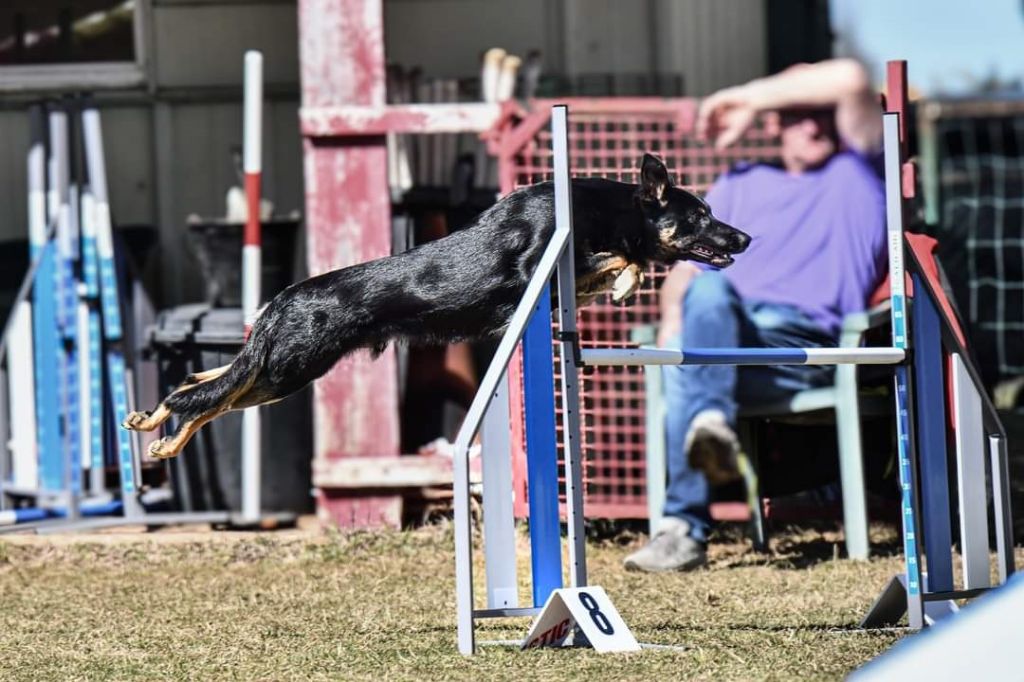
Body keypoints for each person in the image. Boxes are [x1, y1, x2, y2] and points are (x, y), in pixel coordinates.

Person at [624, 59, 888, 573]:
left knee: (692, 363)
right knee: (704, 300)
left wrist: (744, 96)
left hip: (799, 348)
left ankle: (681, 528)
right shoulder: (741, 183)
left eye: (821, 114)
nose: (812, 125)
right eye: (796, 115)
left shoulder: (859, 173)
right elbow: (686, 271)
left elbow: (853, 78)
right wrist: (672, 317)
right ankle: (709, 420)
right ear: (776, 125)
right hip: (719, 333)